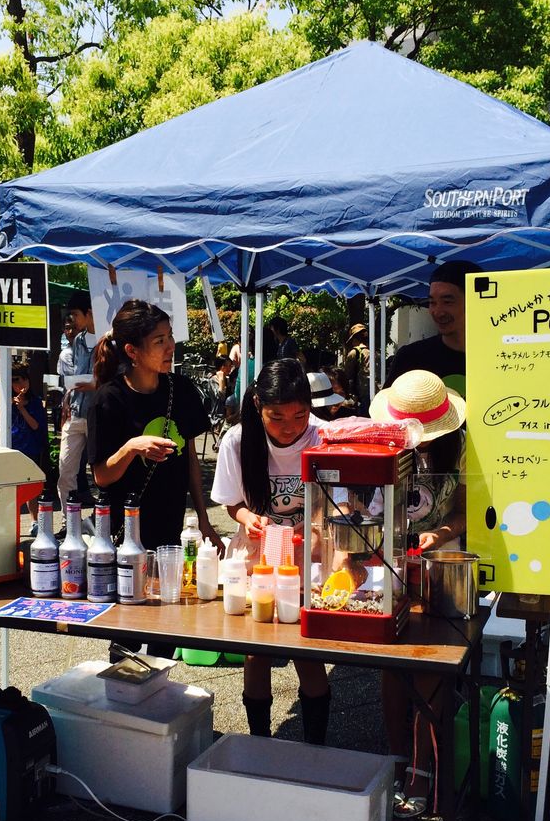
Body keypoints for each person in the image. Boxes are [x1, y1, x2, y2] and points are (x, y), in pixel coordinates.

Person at [89, 300, 223, 658]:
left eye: (170, 337)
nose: (170, 347)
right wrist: (132, 447)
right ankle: (122, 690)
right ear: (132, 351)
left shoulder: (181, 390)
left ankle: (158, 689)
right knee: (128, 629)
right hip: (128, 534)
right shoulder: (109, 399)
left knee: (168, 625)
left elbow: (191, 460)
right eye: (159, 341)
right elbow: (102, 476)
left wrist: (204, 519)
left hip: (170, 528)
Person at [211, 359, 331, 744]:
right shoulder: (237, 439)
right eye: (276, 417)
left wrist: (316, 523)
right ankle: (259, 740)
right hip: (257, 554)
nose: (289, 428)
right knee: (256, 649)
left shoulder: (324, 437)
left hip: (308, 554)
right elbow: (232, 502)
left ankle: (315, 746)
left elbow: (340, 500)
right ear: (258, 405)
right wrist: (247, 517)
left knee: (306, 649)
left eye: (299, 416)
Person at [366, 370, 466, 817]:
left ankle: (422, 768)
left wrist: (440, 534)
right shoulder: (386, 444)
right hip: (393, 561)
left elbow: (464, 511)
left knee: (429, 661)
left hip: (442, 564)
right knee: (392, 659)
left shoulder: (461, 448)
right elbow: (371, 506)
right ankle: (396, 754)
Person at [385, 260, 476, 397]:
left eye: (447, 302)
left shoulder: (498, 356)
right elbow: (385, 408)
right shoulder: (411, 358)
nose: (438, 312)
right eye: (432, 302)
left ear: (473, 301)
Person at [58, 292, 97, 512]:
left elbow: (119, 377)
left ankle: (105, 520)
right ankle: (68, 520)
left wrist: (95, 384)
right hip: (74, 412)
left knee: (101, 471)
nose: (72, 319)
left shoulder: (108, 340)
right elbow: (73, 375)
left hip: (99, 414)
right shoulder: (78, 340)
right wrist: (65, 401)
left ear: (88, 313)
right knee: (65, 470)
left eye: (75, 314)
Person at [0, 367, 49, 472]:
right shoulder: (6, 400)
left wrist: (21, 408)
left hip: (30, 450)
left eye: (25, 379)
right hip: (9, 447)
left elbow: (35, 426)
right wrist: (5, 405)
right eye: (16, 380)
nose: (22, 384)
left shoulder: (35, 401)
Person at [342, 323, 371, 412]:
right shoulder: (374, 352)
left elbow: (347, 376)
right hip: (376, 393)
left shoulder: (354, 353)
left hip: (361, 396)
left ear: (354, 339)